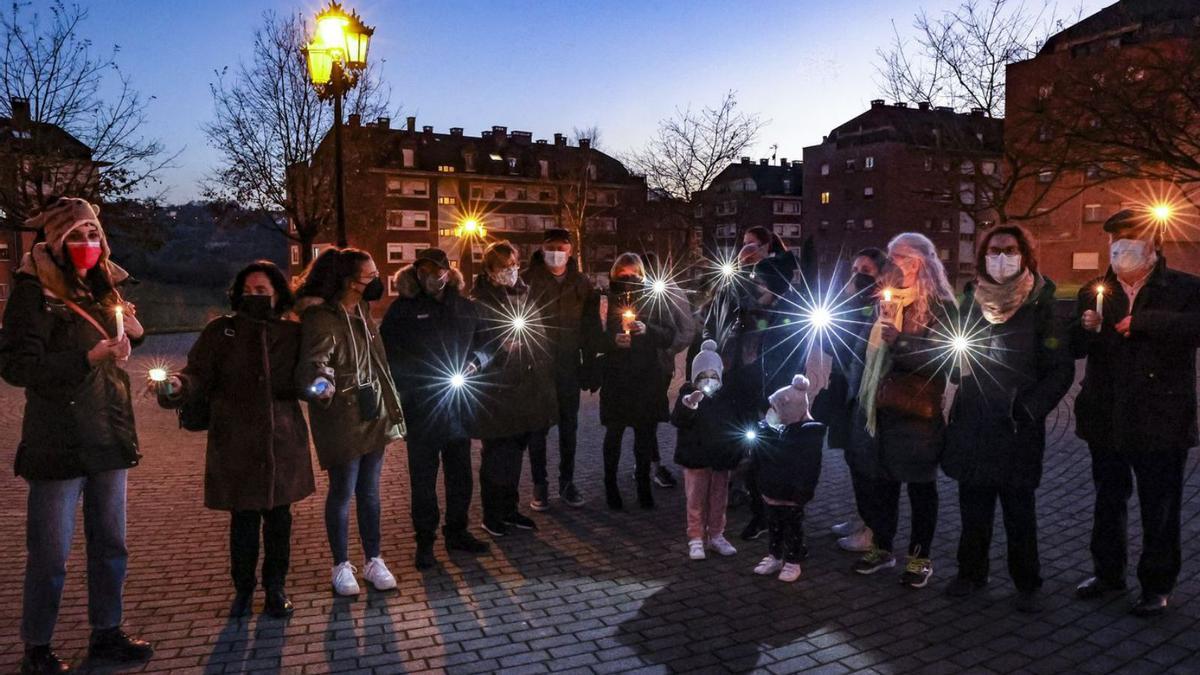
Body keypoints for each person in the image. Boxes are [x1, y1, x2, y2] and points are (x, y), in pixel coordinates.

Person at [0, 197, 153, 674]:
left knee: (111, 543)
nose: (87, 244)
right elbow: (16, 366)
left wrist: (132, 335)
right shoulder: (32, 290)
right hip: (58, 439)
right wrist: (85, 359)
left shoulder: (104, 284)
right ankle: (37, 648)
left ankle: (107, 632)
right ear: (56, 241)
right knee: (50, 553)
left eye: (93, 234)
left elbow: (120, 336)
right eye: (76, 236)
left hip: (108, 430)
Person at [155, 261, 316, 619]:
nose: (254, 296)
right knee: (243, 520)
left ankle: (275, 587)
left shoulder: (292, 333)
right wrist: (178, 385)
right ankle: (243, 589)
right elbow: (196, 374)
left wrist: (320, 384)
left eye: (262, 291)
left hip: (281, 441)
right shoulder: (221, 331)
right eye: (247, 290)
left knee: (279, 520)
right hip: (237, 440)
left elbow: (307, 376)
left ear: (277, 294)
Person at [1071, 209, 1200, 617]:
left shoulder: (1183, 288)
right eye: (1116, 238)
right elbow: (1072, 347)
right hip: (1105, 414)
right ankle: (1108, 573)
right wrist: (1084, 330)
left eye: (1133, 236)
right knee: (1109, 499)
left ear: (1155, 243)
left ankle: (1157, 584)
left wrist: (1146, 322)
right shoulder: (1095, 290)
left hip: (1161, 416)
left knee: (1158, 506)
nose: (1122, 245)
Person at [942, 226, 1073, 613]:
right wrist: (953, 362)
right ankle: (971, 572)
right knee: (973, 506)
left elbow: (1060, 370)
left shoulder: (1041, 303)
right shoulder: (971, 300)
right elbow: (953, 358)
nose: (1002, 257)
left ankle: (1027, 582)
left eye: (1010, 250)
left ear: (1024, 255)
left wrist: (1028, 409)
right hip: (974, 420)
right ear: (983, 256)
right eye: (994, 250)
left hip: (1016, 424)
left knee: (1019, 510)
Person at [847, 232, 957, 589]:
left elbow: (945, 363)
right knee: (883, 485)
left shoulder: (940, 307)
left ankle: (920, 556)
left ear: (920, 262)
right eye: (890, 256)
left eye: (900, 256)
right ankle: (882, 547)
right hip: (880, 410)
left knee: (921, 488)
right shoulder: (883, 300)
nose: (891, 262)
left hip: (916, 413)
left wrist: (902, 342)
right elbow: (863, 352)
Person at [295, 248, 406, 596]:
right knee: (343, 491)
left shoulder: (361, 311)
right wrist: (321, 384)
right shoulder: (322, 318)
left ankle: (374, 559)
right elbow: (314, 363)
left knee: (370, 492)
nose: (376, 281)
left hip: (373, 411)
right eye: (370, 275)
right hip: (342, 414)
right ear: (349, 281)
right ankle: (341, 565)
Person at [381, 248, 492, 569]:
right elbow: (388, 355)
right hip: (422, 410)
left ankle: (457, 533)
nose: (432, 275)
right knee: (423, 481)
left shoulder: (465, 307)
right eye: (425, 270)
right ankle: (425, 542)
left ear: (448, 271)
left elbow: (488, 345)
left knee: (460, 477)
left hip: (459, 407)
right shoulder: (401, 310)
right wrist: (409, 384)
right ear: (416, 273)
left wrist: (476, 363)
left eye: (437, 269)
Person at [472, 241, 558, 536]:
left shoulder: (523, 295)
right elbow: (476, 346)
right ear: (489, 270)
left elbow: (540, 335)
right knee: (495, 457)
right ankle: (491, 514)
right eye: (503, 268)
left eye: (513, 266)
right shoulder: (479, 301)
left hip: (526, 390)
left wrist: (535, 354)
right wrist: (501, 348)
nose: (510, 272)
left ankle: (510, 509)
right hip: (496, 393)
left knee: (514, 456)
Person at [720, 249, 806, 541]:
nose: (755, 284)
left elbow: (792, 357)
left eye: (760, 280)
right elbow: (733, 342)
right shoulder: (747, 307)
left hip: (775, 397)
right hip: (745, 391)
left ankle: (787, 523)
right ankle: (760, 515)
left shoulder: (790, 312)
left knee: (779, 463)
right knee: (754, 459)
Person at [816, 248, 887, 552]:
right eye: (855, 268)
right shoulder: (848, 303)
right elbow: (829, 343)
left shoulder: (880, 308)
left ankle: (873, 528)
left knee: (866, 466)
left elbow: (858, 353)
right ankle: (861, 519)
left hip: (863, 397)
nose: (858, 275)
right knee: (852, 460)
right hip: (843, 393)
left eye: (866, 270)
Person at [523, 229, 599, 510]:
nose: (556, 252)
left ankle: (567, 482)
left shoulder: (582, 283)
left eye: (561, 247)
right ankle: (539, 485)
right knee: (537, 429)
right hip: (537, 367)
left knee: (570, 427)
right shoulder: (527, 280)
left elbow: (591, 326)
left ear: (570, 250)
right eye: (550, 247)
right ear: (542, 250)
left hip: (568, 365)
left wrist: (590, 363)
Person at [599, 253, 676, 510]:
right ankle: (610, 485)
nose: (629, 279)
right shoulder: (605, 299)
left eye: (634, 274)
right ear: (614, 274)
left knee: (644, 436)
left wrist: (648, 330)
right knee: (614, 434)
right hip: (617, 378)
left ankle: (643, 485)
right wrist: (612, 341)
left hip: (646, 378)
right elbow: (591, 337)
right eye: (623, 274)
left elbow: (669, 335)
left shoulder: (654, 298)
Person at [750, 375, 827, 583]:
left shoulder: (807, 438)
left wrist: (801, 491)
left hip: (792, 493)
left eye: (775, 409)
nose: (770, 414)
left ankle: (793, 561)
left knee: (793, 527)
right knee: (774, 524)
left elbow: (809, 470)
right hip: (772, 490)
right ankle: (775, 556)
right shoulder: (774, 432)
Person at [671, 340, 742, 560]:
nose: (709, 381)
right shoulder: (688, 395)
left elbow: (734, 426)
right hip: (696, 457)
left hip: (720, 458)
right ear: (695, 378)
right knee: (695, 499)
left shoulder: (727, 397)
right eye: (702, 376)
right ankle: (695, 537)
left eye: (713, 375)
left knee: (719, 499)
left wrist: (735, 450)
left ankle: (716, 535)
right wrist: (689, 404)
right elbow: (678, 420)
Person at [640, 251, 696, 490]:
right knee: (640, 416)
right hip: (633, 365)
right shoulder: (632, 290)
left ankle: (652, 464)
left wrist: (668, 351)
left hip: (657, 365)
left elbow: (686, 329)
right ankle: (646, 461)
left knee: (649, 416)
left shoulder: (671, 292)